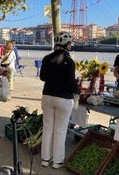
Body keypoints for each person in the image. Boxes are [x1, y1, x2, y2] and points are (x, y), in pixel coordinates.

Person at [40, 31, 80, 169]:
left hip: (47, 96)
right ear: (67, 44)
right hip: (63, 99)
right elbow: (71, 82)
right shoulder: (68, 61)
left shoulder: (46, 58)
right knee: (60, 130)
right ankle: (57, 161)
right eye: (70, 43)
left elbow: (42, 78)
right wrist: (78, 92)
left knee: (47, 128)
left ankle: (45, 159)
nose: (71, 45)